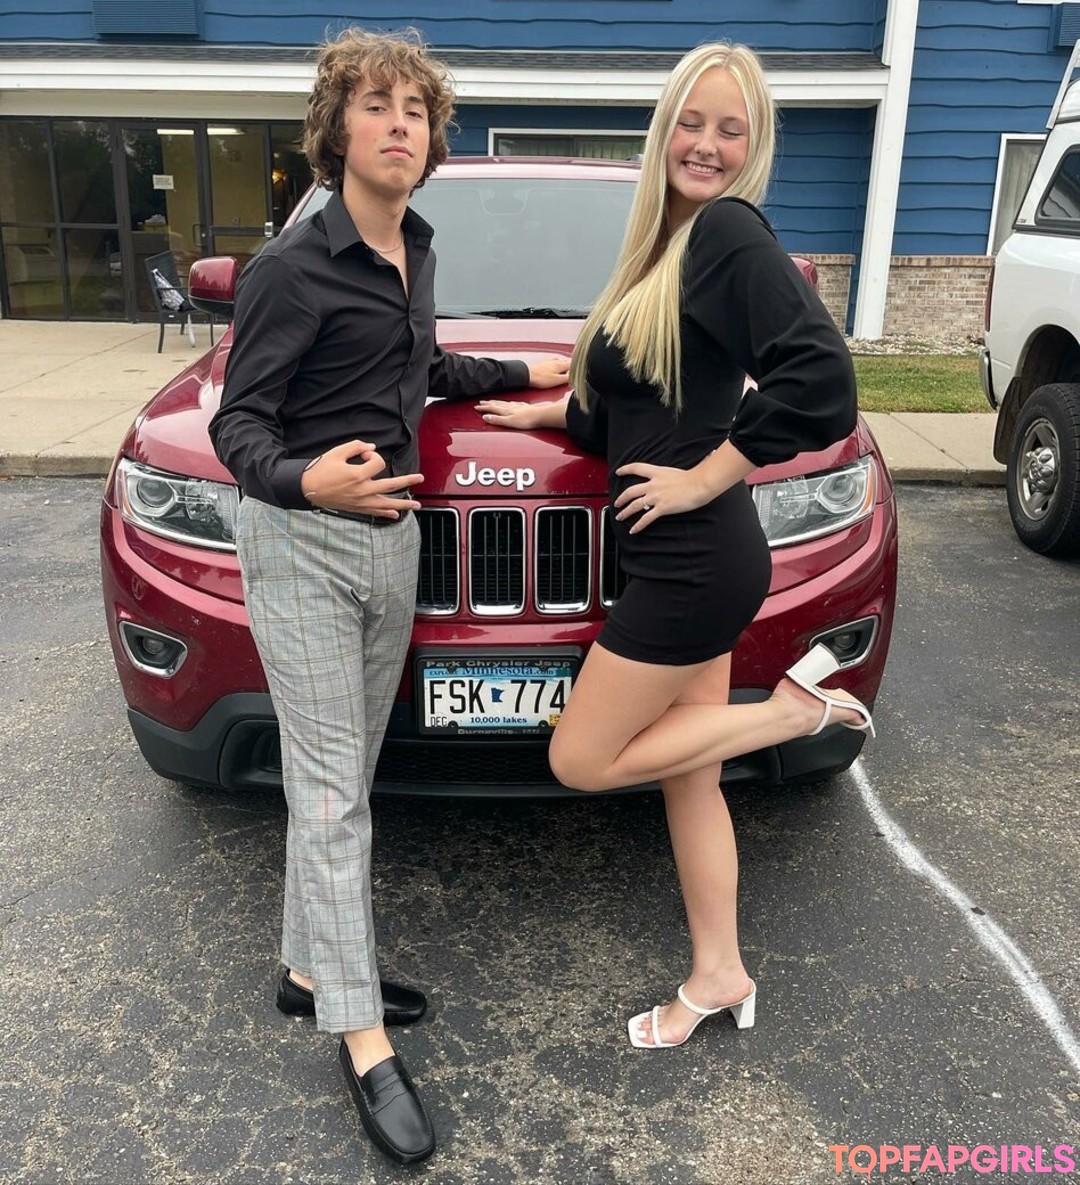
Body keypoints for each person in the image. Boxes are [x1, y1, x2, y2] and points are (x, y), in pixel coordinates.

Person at [208, 27, 568, 1167]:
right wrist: (301, 478)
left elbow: (418, 368)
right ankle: (361, 1038)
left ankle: (307, 969)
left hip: (392, 548)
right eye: (376, 104)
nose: (400, 122)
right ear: (337, 129)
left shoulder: (414, 247)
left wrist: (523, 372)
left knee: (342, 778)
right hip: (303, 545)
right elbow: (236, 424)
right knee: (330, 800)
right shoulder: (289, 266)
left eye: (416, 107)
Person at [476, 41, 871, 1051]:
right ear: (663, 134)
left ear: (754, 146)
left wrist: (702, 478)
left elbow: (822, 382)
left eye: (730, 129)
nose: (706, 144)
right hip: (689, 560)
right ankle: (719, 972)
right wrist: (548, 417)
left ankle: (792, 715)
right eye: (691, 123)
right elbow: (638, 403)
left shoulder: (729, 232)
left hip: (695, 560)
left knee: (580, 757)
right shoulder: (666, 247)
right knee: (690, 775)